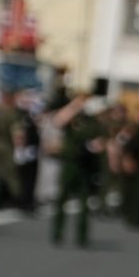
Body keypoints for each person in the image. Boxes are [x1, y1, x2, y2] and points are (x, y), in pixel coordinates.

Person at [49, 93, 106, 246]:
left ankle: (82, 237)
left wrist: (92, 147)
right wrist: (74, 106)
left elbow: (100, 143)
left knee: (84, 203)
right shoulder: (74, 118)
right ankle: (57, 233)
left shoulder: (95, 124)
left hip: (85, 166)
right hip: (69, 164)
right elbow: (58, 120)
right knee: (61, 200)